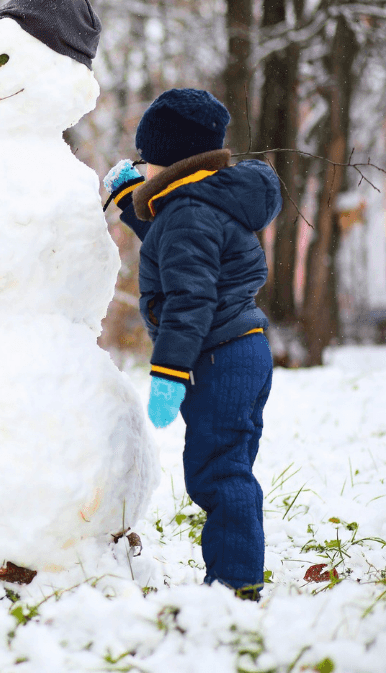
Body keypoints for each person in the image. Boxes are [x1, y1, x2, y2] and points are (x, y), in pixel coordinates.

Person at [102, 88, 282, 600]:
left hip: (218, 355)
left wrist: (169, 374)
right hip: (239, 349)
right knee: (226, 464)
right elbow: (175, 240)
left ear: (172, 160)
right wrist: (131, 201)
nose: (142, 167)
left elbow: (190, 297)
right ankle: (235, 574)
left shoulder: (188, 214)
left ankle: (234, 584)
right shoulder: (205, 202)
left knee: (218, 471)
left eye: (147, 159)